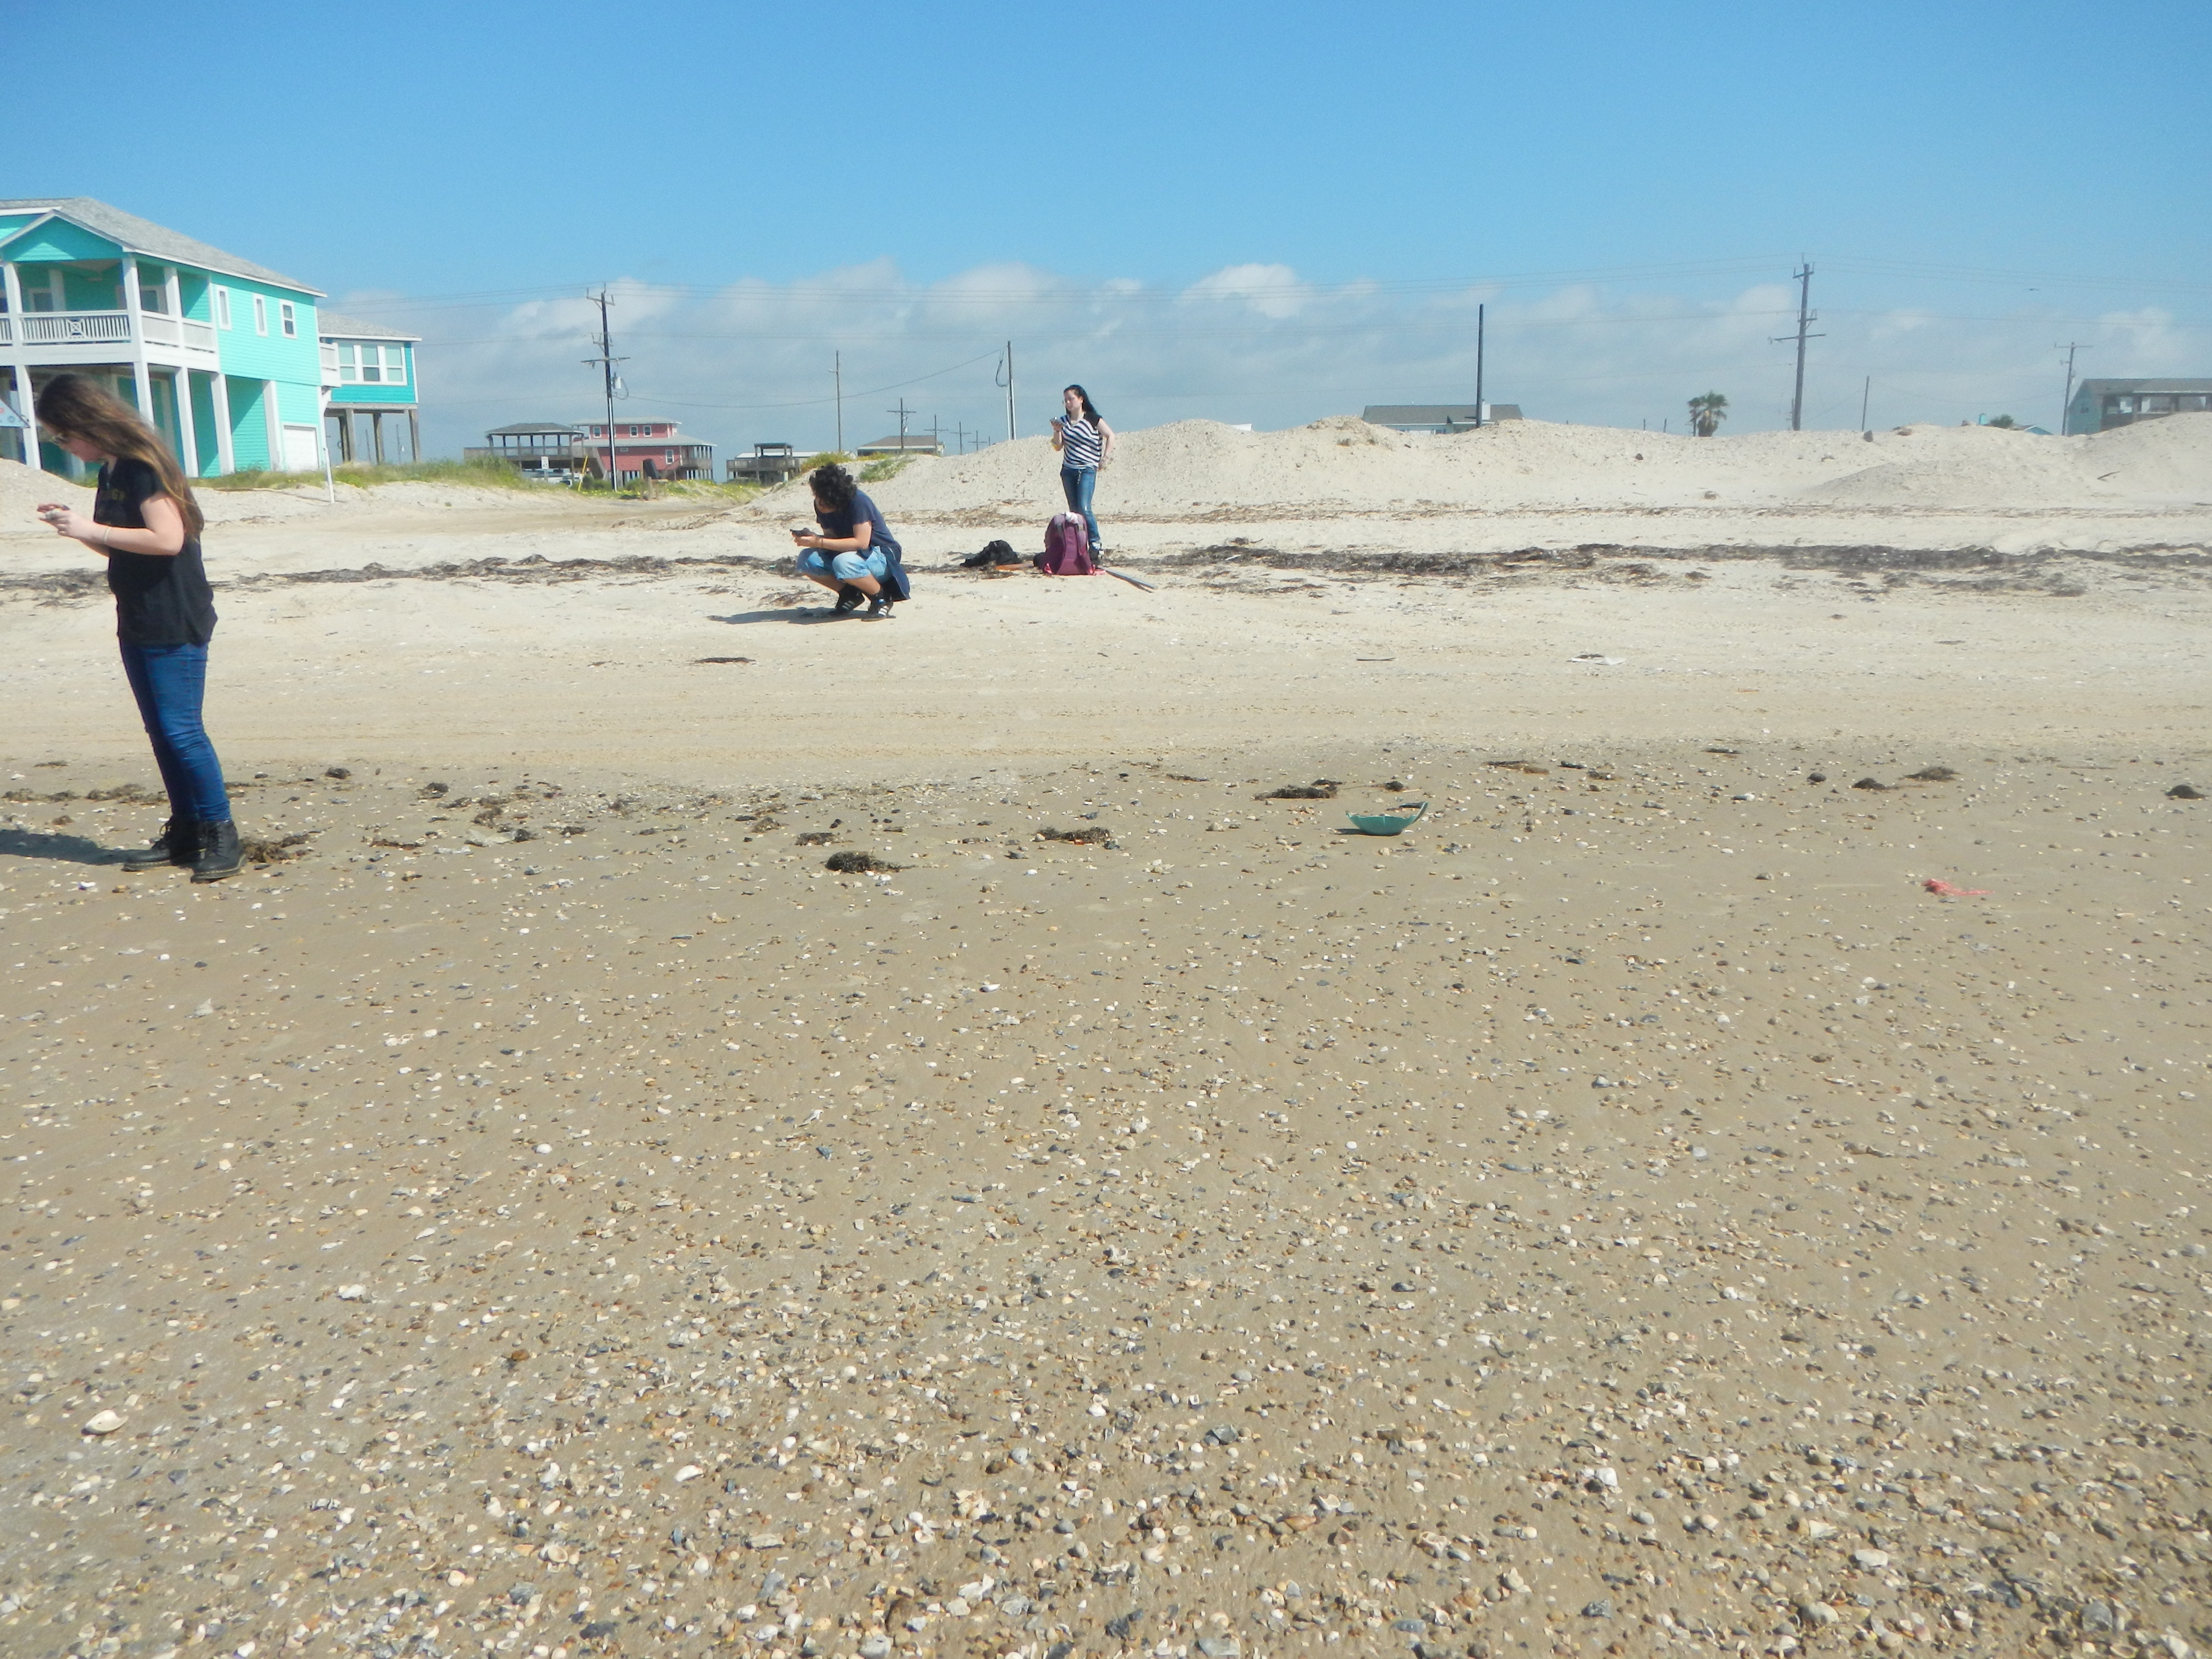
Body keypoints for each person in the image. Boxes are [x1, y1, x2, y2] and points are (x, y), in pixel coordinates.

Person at [32, 373, 241, 881]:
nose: (63, 446)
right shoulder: (112, 471)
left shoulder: (143, 467)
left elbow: (167, 540)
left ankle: (221, 833)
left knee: (182, 730)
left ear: (88, 423)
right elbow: (121, 542)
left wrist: (92, 528)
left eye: (63, 435)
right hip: (139, 612)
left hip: (174, 613)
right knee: (161, 732)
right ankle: (187, 831)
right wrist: (77, 528)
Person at [793, 461, 911, 618]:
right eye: (817, 495)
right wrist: (813, 538)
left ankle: (881, 598)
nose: (819, 502)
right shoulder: (821, 504)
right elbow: (832, 538)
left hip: (881, 555)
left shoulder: (859, 501)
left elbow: (861, 543)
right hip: (852, 554)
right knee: (807, 559)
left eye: (823, 498)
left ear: (835, 497)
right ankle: (850, 595)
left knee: (844, 562)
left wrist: (819, 542)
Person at [1049, 384, 1114, 554]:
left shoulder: (1092, 419)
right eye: (1065, 400)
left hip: (1087, 469)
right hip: (1069, 470)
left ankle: (1095, 544)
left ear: (1080, 399)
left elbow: (1110, 435)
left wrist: (1105, 458)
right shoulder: (1064, 421)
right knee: (1075, 512)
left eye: (1071, 399)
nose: (1068, 403)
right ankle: (1079, 544)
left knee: (1085, 508)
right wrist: (1057, 431)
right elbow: (1057, 446)